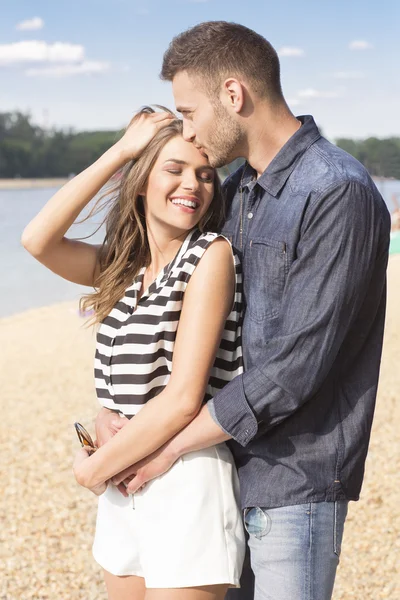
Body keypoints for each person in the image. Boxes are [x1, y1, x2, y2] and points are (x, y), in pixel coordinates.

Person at [97, 22, 392, 600]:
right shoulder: (239, 192)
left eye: (188, 112)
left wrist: (168, 446)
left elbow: (294, 367)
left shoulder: (339, 191)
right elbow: (176, 305)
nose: (188, 131)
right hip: (223, 467)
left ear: (233, 96)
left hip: (293, 481)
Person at [21, 107, 246, 600]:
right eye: (175, 169)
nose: (194, 184)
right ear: (142, 181)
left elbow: (184, 397)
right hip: (125, 480)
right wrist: (121, 151)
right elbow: (36, 240)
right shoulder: (124, 269)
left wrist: (91, 470)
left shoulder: (210, 255)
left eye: (206, 175)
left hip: (185, 477)